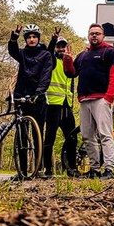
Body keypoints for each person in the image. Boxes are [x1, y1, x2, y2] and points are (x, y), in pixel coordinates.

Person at [63, 23, 114, 180]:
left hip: (102, 99)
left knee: (105, 135)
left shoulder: (110, 52)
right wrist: (68, 61)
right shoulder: (83, 55)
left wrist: (109, 98)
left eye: (97, 33)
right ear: (88, 36)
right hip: (84, 100)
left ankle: (109, 168)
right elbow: (71, 74)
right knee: (87, 136)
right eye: (91, 33)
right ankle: (94, 169)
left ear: (103, 36)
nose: (94, 36)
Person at [8, 23, 53, 181]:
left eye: (34, 37)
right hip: (21, 96)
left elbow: (46, 75)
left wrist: (38, 93)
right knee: (21, 134)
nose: (32, 39)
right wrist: (14, 38)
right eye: (28, 37)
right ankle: (21, 171)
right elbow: (12, 51)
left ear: (38, 38)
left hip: (37, 99)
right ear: (25, 39)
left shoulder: (46, 55)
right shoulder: (23, 53)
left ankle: (37, 170)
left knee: (37, 134)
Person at [42, 31, 77, 179]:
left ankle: (71, 168)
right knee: (50, 138)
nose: (61, 49)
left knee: (72, 138)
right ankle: (47, 169)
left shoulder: (70, 63)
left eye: (63, 46)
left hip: (67, 105)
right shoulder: (51, 61)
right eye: (59, 47)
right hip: (52, 105)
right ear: (55, 48)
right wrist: (53, 40)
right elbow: (48, 52)